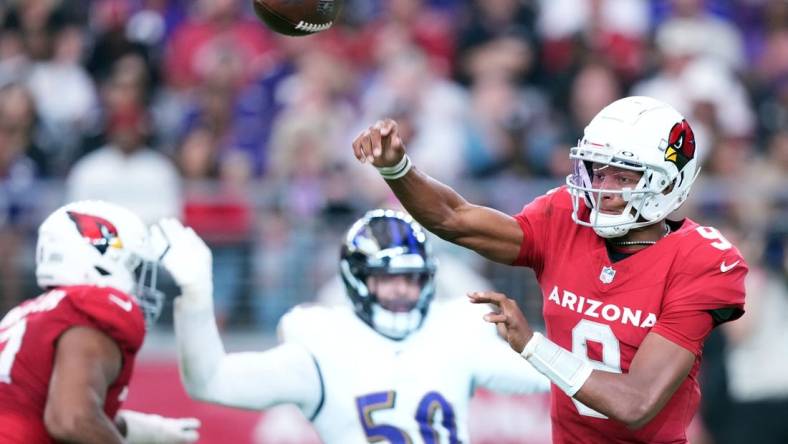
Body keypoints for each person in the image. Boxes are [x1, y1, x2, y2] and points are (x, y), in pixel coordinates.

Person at [350, 96, 748, 443]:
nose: (604, 189)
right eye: (599, 170)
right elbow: (455, 219)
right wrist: (398, 168)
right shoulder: (566, 217)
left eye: (623, 176)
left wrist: (531, 345)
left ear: (668, 184)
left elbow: (636, 402)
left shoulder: (703, 261)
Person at [163, 209, 550, 443]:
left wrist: (540, 344)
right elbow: (211, 380)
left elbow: (554, 379)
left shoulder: (455, 330)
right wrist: (194, 296)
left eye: (411, 278)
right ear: (358, 280)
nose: (401, 290)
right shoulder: (324, 343)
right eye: (387, 278)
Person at [0, 200, 200, 443]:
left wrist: (144, 430)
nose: (139, 285)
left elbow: (38, 402)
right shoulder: (95, 307)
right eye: (134, 268)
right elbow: (72, 419)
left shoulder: (27, 313)